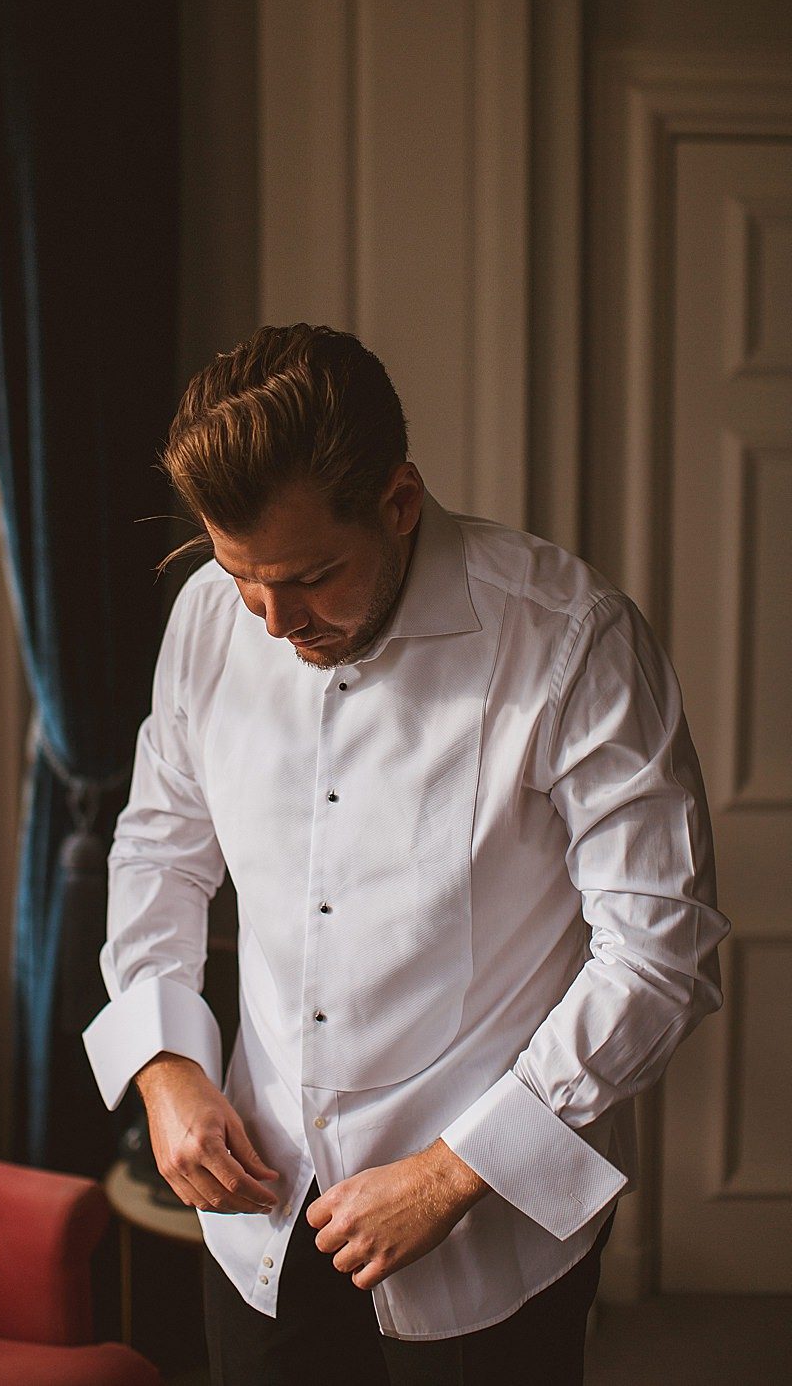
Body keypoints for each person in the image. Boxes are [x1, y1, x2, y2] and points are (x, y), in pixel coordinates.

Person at [81, 325, 728, 1384]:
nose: (276, 621)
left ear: (397, 501)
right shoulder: (209, 617)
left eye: (308, 579)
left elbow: (660, 953)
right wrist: (161, 1066)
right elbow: (158, 848)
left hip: (489, 1236)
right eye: (242, 578)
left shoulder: (569, 638)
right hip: (262, 1214)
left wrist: (453, 1171)